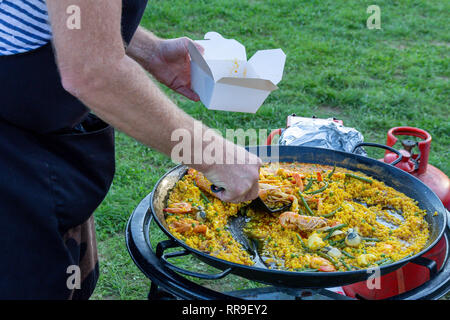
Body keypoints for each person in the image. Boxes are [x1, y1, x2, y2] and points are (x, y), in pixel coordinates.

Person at [0, 0, 261, 299]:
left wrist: (150, 51)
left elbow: (73, 15)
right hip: (12, 152)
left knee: (66, 282)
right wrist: (213, 154)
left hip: (42, 137)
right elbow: (93, 72)